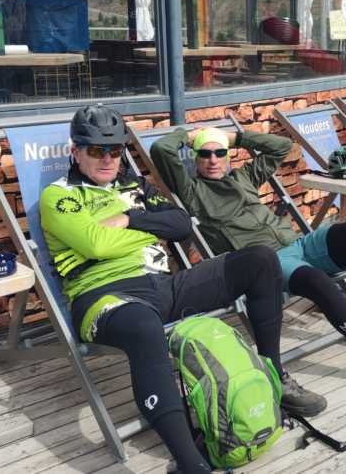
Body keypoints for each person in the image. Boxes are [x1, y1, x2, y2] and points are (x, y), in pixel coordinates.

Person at [41, 105, 325, 474]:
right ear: (76, 152)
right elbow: (95, 245)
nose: (108, 158)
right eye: (97, 150)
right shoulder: (59, 196)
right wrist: (148, 229)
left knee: (260, 260)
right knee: (145, 328)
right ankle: (190, 463)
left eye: (115, 150)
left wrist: (128, 219)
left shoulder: (135, 186)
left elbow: (180, 224)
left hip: (164, 285)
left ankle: (274, 376)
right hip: (106, 297)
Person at [151, 125, 346, 401]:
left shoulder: (243, 176)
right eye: (204, 154)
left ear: (228, 155)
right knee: (318, 283)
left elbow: (282, 146)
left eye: (220, 152)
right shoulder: (192, 191)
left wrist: (236, 137)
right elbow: (161, 149)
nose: (213, 160)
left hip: (300, 243)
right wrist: (190, 136)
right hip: (268, 261)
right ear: (195, 158)